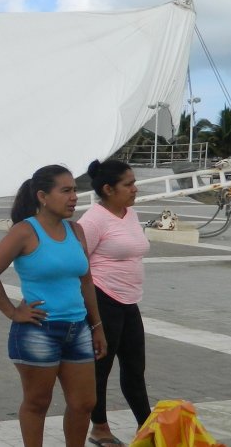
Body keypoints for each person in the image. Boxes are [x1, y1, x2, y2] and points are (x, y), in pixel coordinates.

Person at [0, 164, 107, 447]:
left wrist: (96, 326)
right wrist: (13, 311)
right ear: (42, 196)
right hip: (39, 332)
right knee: (37, 403)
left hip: (78, 329)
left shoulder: (77, 231)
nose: (74, 196)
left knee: (84, 403)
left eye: (75, 190)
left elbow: (86, 281)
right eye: (66, 190)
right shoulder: (25, 232)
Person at [77, 158, 152, 445]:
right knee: (100, 369)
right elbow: (80, 265)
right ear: (108, 189)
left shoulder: (129, 214)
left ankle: (146, 426)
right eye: (129, 184)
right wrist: (91, 316)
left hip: (129, 301)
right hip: (102, 299)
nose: (135, 189)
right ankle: (99, 427)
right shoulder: (93, 220)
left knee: (135, 368)